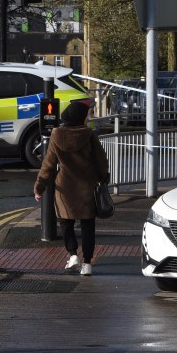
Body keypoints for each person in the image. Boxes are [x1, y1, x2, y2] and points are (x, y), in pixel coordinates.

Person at [33, 101, 109, 276]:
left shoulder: (56, 134)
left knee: (66, 222)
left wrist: (39, 186)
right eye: (86, 116)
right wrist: (103, 178)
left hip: (64, 187)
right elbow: (101, 161)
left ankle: (73, 255)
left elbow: (48, 164)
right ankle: (87, 264)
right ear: (80, 117)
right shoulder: (89, 135)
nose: (88, 118)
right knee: (88, 224)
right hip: (86, 186)